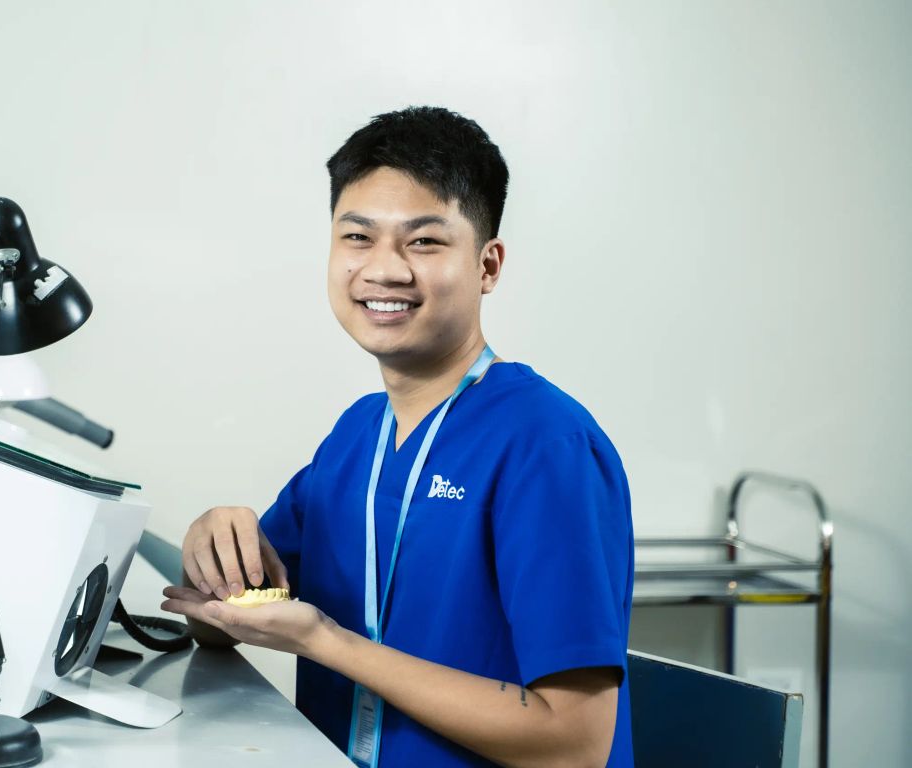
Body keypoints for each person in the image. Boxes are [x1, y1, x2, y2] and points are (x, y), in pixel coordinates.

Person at [160, 106, 635, 768]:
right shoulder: (356, 437)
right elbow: (220, 628)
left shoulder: (543, 444)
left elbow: (574, 746)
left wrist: (327, 643)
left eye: (424, 242)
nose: (383, 270)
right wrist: (205, 549)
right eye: (357, 237)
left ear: (488, 265)